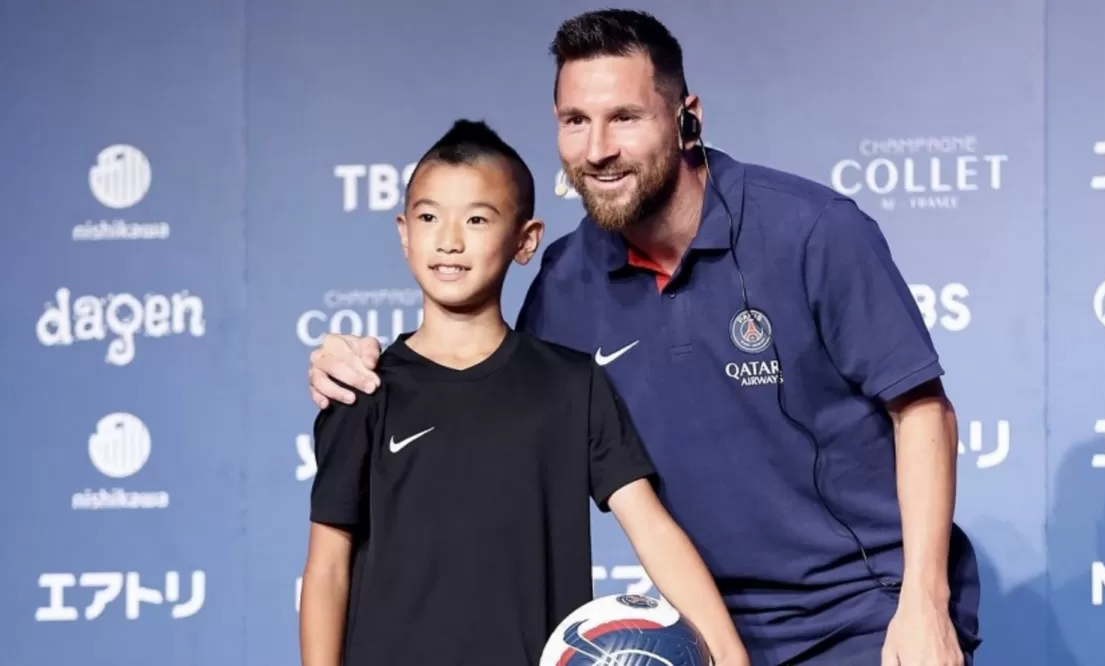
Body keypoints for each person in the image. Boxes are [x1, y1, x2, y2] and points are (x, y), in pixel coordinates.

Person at [306, 10, 981, 666]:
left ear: (688, 117)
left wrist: (924, 603)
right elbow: (484, 393)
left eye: (624, 118)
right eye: (576, 122)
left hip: (863, 618)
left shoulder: (813, 232)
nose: (597, 150)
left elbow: (922, 411)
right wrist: (354, 360)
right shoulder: (565, 282)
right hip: (691, 631)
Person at [298, 118, 749, 666]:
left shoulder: (572, 383)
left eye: (478, 218)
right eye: (429, 216)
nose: (449, 240)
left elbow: (650, 526)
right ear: (403, 232)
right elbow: (326, 567)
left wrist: (728, 654)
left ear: (526, 240)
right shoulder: (362, 388)